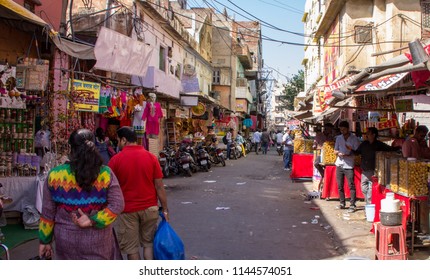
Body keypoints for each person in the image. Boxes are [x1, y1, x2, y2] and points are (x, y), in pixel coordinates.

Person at [38, 129, 125, 260]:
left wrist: (44, 241)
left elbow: (48, 213)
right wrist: (93, 220)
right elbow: (118, 205)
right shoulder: (105, 173)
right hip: (99, 242)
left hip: (65, 242)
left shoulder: (55, 175)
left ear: (70, 148)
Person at [108, 126, 169, 260]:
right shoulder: (151, 158)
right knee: (148, 244)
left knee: (132, 249)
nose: (118, 144)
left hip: (127, 210)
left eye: (118, 140)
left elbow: (109, 187)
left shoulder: (115, 160)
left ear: (124, 140)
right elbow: (159, 186)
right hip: (150, 208)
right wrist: (165, 209)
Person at [349, 127, 400, 205]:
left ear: (373, 135)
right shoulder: (364, 144)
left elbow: (389, 149)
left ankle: (369, 205)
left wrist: (398, 148)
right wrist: (350, 149)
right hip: (365, 170)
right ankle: (368, 202)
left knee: (370, 189)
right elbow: (357, 153)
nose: (367, 135)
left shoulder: (379, 144)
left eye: (368, 133)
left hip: (374, 170)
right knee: (363, 188)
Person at [334, 121, 361, 213]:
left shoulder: (354, 139)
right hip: (339, 163)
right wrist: (339, 153)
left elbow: (357, 152)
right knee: (340, 185)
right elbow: (335, 150)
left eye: (344, 129)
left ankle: (352, 204)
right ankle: (342, 203)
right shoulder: (338, 138)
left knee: (351, 185)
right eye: (341, 129)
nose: (342, 131)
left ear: (348, 128)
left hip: (349, 164)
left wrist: (349, 152)